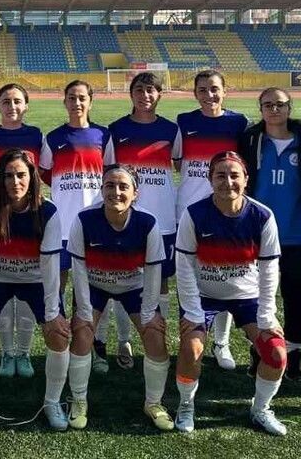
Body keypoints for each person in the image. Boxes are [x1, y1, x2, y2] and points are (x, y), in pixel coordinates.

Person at [174, 151, 289, 436]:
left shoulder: (262, 215)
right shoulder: (195, 214)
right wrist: (192, 309)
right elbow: (184, 265)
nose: (228, 182)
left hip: (247, 297)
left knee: (276, 354)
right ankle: (186, 404)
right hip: (203, 295)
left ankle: (260, 409)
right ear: (210, 179)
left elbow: (269, 269)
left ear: (246, 179)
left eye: (234, 175)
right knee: (191, 348)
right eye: (220, 175)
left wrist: (266, 314)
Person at [0, 149, 69, 432]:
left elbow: (50, 267)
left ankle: (52, 402)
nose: (15, 181)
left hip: (35, 280)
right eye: (8, 176)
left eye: (21, 175)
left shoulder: (48, 212)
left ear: (32, 177)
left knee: (58, 335)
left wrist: (53, 313)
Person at [65, 165, 170, 431]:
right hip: (94, 286)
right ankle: (78, 400)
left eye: (124, 186)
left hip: (134, 287)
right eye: (110, 185)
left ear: (136, 193)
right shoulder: (84, 219)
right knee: (82, 333)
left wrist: (149, 313)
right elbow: (77, 267)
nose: (116, 191)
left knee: (155, 334)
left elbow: (154, 271)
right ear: (101, 190)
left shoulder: (148, 222)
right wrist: (85, 311)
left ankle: (154, 403)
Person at [238, 87, 301, 379]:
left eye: (280, 105)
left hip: (299, 233)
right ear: (260, 109)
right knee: (259, 299)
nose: (274, 110)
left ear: (289, 107)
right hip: (257, 236)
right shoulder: (250, 139)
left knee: (295, 298)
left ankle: (294, 353)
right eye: (268, 105)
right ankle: (261, 352)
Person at [105, 71, 180, 371]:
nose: (145, 95)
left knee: (159, 281)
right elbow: (110, 175)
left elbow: (179, 166)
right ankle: (124, 339)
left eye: (151, 90)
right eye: (139, 90)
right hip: (125, 217)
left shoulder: (172, 131)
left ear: (159, 94)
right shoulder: (116, 130)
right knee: (123, 277)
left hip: (162, 218)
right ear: (131, 93)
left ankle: (155, 334)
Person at [174, 69, 249, 370]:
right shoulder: (184, 122)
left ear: (224, 91)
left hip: (227, 209)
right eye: (203, 90)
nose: (209, 95)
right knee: (189, 276)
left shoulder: (239, 123)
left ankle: (221, 343)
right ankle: (191, 337)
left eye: (214, 89)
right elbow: (177, 161)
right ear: (195, 93)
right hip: (189, 209)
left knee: (224, 275)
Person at [0, 82, 45, 378]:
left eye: (17, 101)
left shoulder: (37, 136)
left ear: (26, 105)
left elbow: (44, 173)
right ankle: (5, 352)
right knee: (0, 282)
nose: (11, 106)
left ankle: (23, 353)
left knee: (26, 285)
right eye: (5, 101)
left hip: (28, 214)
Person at [40, 80, 114, 373]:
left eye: (82, 98)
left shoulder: (103, 135)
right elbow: (46, 174)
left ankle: (94, 343)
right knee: (58, 284)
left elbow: (110, 173)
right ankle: (59, 340)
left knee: (92, 288)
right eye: (71, 98)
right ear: (65, 102)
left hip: (95, 224)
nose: (77, 103)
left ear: (90, 101)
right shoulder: (54, 137)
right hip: (61, 225)